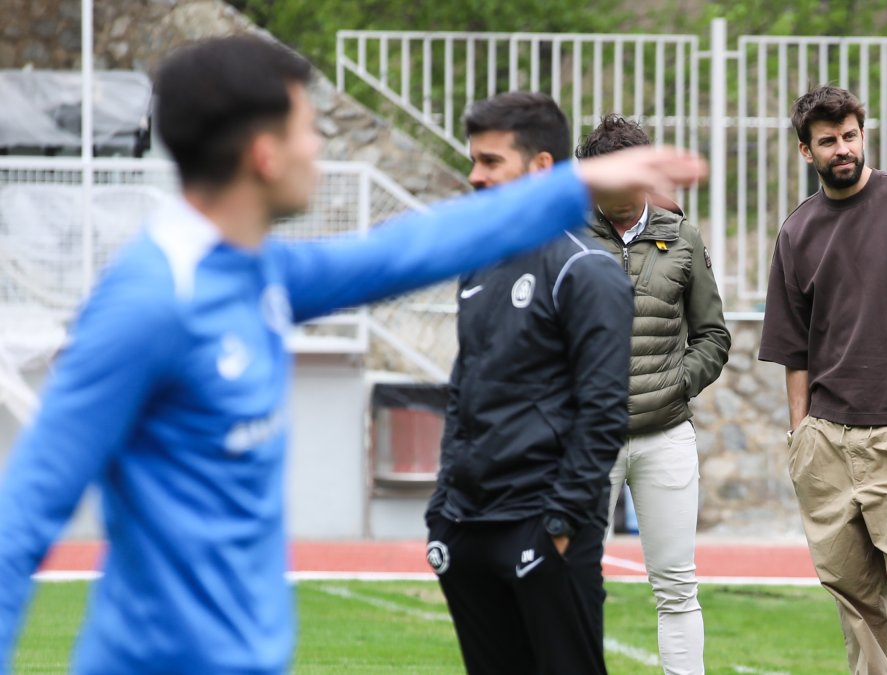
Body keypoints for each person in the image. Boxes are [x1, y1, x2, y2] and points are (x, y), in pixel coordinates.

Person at [0, 38, 705, 674]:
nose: (319, 147)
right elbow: (23, 514)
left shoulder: (255, 272)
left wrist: (569, 187)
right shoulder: (148, 303)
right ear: (264, 153)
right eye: (308, 128)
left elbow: (405, 250)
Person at [758, 85, 887, 675]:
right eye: (828, 141)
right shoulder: (796, 233)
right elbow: (793, 349)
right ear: (807, 152)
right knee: (852, 596)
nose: (842, 148)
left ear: (863, 135)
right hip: (828, 443)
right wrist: (800, 435)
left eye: (850, 135)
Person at [424, 93, 634, 675]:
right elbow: (464, 388)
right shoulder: (480, 264)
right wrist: (442, 509)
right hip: (468, 522)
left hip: (543, 521)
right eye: (475, 161)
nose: (474, 176)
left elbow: (603, 412)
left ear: (541, 168)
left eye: (491, 162)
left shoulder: (584, 270)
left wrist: (563, 521)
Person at [575, 114, 729, 675]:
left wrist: (675, 385)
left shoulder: (681, 235)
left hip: (666, 438)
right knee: (571, 585)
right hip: (585, 443)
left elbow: (713, 336)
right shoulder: (566, 237)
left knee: (676, 587)